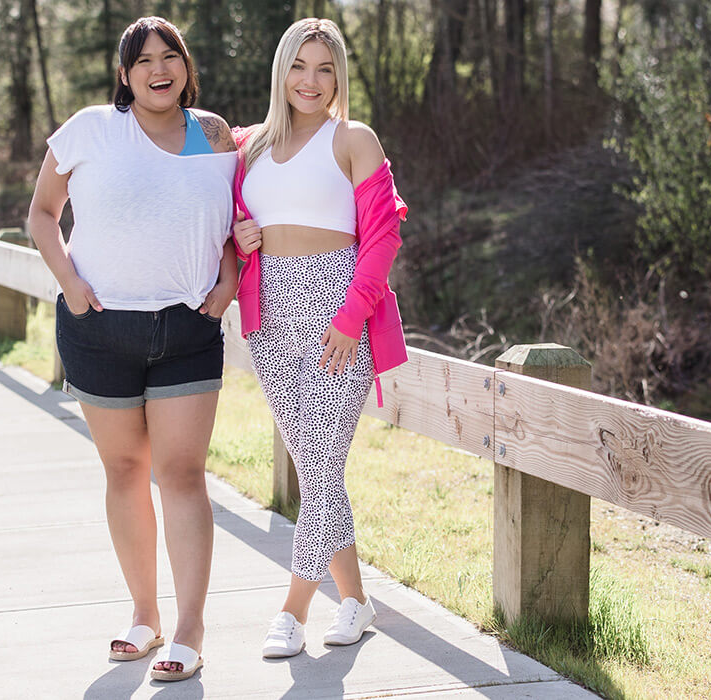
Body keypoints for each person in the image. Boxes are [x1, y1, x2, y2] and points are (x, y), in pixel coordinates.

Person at [26, 16, 239, 683]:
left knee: (182, 474)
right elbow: (42, 214)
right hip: (98, 331)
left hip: (187, 331)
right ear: (125, 75)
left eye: (169, 55)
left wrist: (229, 280)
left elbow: (235, 219)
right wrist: (71, 284)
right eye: (143, 60)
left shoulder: (212, 134)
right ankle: (145, 616)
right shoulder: (90, 129)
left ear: (186, 66)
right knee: (123, 471)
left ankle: (190, 628)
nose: (158, 69)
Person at [230, 18, 409, 659]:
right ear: (282, 71)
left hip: (338, 309)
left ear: (339, 78)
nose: (310, 81)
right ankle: (356, 601)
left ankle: (292, 610)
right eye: (300, 66)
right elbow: (226, 220)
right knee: (316, 468)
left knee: (324, 465)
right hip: (270, 313)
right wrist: (240, 236)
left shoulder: (353, 139)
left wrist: (350, 317)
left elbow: (383, 235)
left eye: (324, 69)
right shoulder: (249, 146)